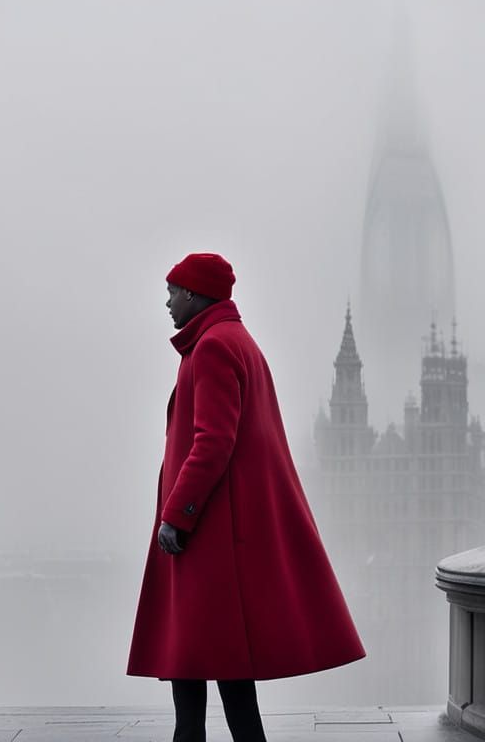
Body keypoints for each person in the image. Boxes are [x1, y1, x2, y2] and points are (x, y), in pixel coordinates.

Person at [126, 253, 365, 742]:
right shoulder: (236, 341)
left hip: (206, 532)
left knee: (196, 654)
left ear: (192, 293)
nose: (167, 303)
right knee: (214, 660)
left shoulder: (213, 347)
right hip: (218, 530)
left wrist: (177, 515)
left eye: (171, 292)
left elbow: (214, 441)